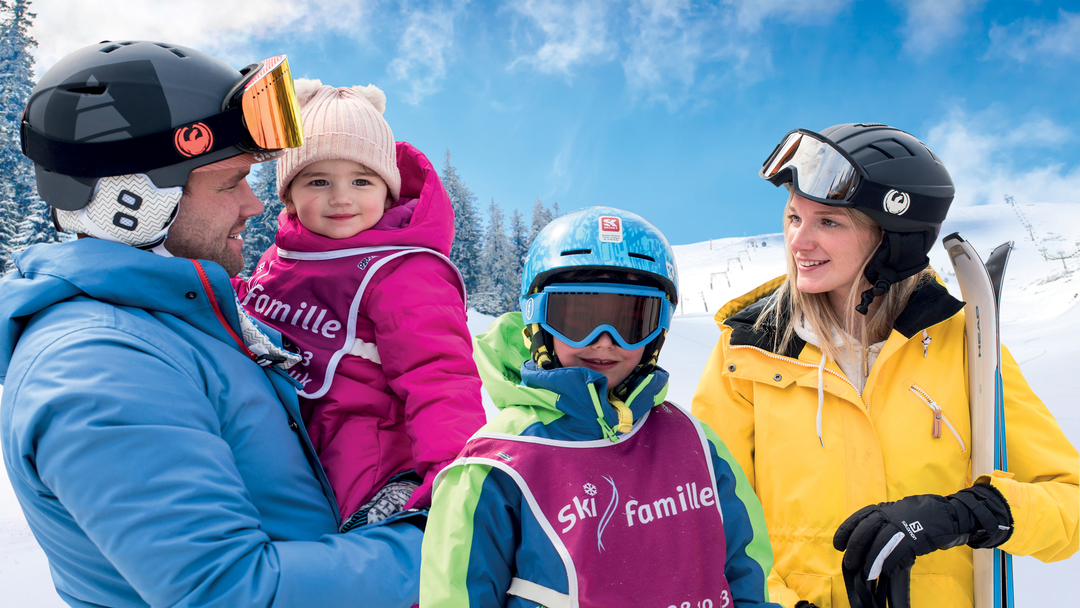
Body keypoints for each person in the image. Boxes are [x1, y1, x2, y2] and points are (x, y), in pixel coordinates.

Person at [1, 41, 424, 608]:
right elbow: (229, 592)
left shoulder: (180, 326)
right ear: (136, 201)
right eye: (229, 183)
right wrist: (441, 543)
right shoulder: (97, 365)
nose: (255, 205)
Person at [691, 123, 1078, 608]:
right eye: (794, 218)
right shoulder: (747, 353)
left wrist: (968, 513)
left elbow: (1070, 504)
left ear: (894, 240)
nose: (798, 242)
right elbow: (705, 522)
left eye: (828, 222)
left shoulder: (967, 347)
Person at [420, 206, 781, 608]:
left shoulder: (696, 442)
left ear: (657, 331)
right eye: (579, 318)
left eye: (631, 321)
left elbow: (745, 573)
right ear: (538, 320)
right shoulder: (497, 463)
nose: (605, 341)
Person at [234, 80, 485, 530]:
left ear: (388, 192)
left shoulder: (405, 273)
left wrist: (453, 482)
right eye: (318, 181)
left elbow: (439, 378)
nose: (341, 197)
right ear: (288, 197)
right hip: (288, 441)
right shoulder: (284, 258)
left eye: (361, 180)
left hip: (364, 453)